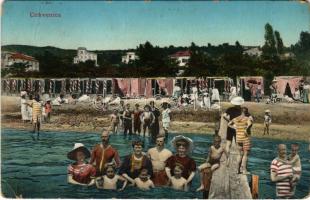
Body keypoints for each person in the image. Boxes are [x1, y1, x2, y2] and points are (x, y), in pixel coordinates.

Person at [228, 107, 252, 174]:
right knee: (245, 154)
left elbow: (229, 124)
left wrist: (235, 128)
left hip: (238, 138)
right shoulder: (247, 118)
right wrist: (246, 128)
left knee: (240, 154)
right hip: (245, 138)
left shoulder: (236, 119)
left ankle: (237, 170)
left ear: (241, 112)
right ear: (246, 112)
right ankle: (244, 170)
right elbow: (250, 123)